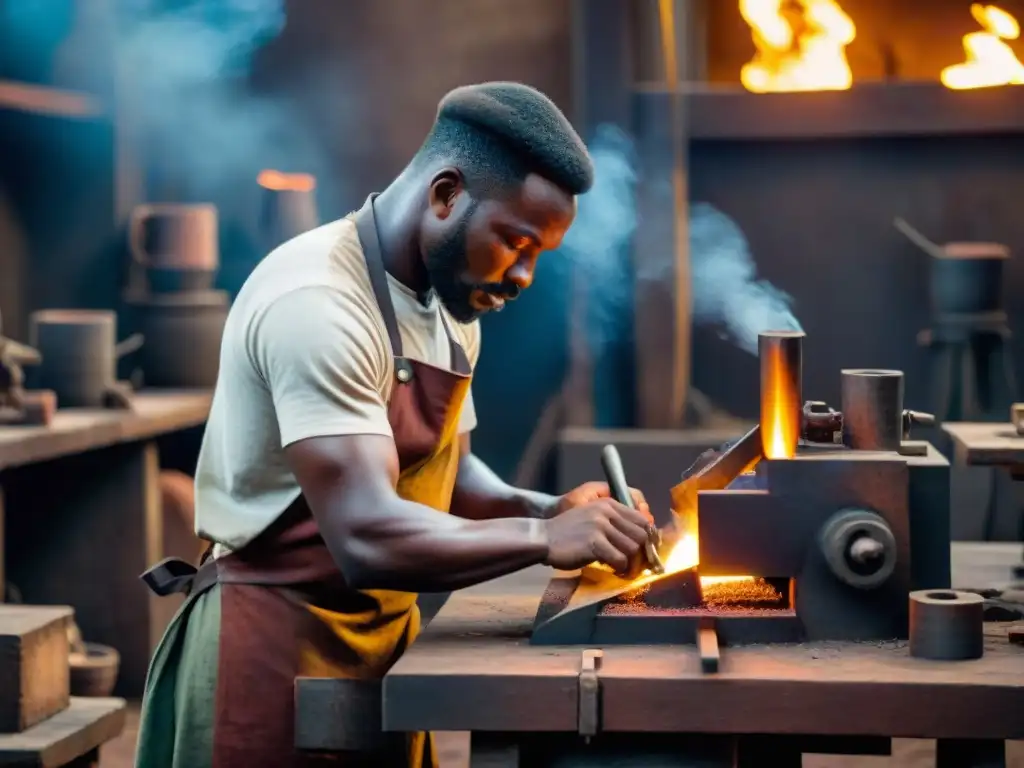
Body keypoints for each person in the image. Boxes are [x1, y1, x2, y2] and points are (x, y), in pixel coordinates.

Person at [135, 82, 654, 768]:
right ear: (445, 195)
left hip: (384, 651)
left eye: (538, 256)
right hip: (270, 651)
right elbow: (366, 534)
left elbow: (447, 473)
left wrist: (553, 507)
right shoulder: (320, 302)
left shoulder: (449, 305)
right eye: (516, 243)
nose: (524, 275)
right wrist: (543, 537)